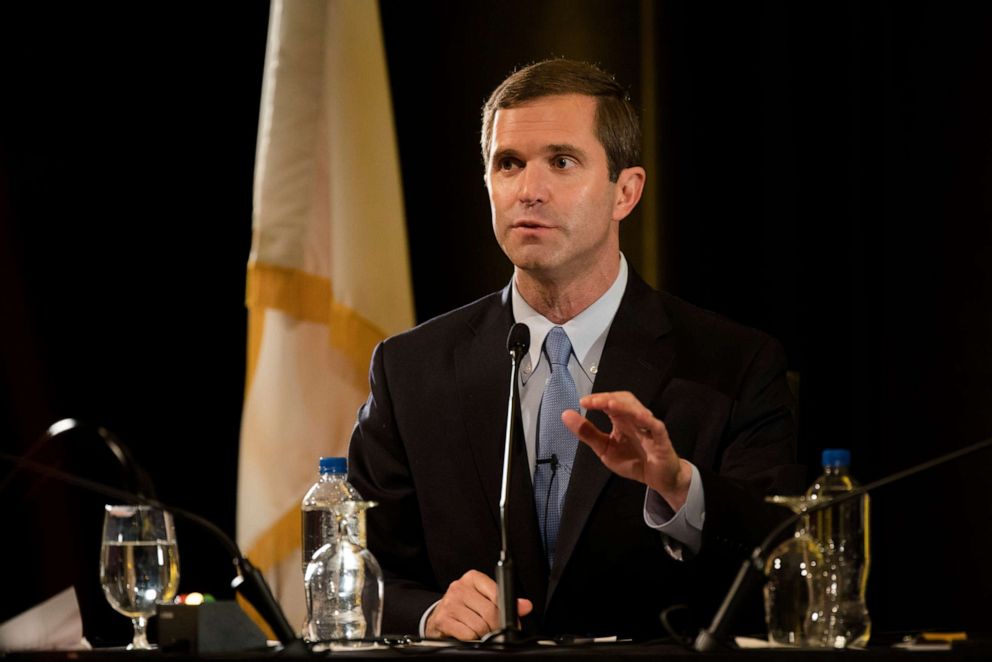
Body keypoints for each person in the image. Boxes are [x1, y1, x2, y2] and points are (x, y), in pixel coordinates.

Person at [348, 58, 802, 641]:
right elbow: (352, 570)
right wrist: (432, 613)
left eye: (562, 162)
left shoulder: (732, 365)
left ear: (626, 192)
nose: (529, 191)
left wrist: (680, 488)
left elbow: (785, 559)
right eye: (508, 164)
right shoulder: (410, 369)